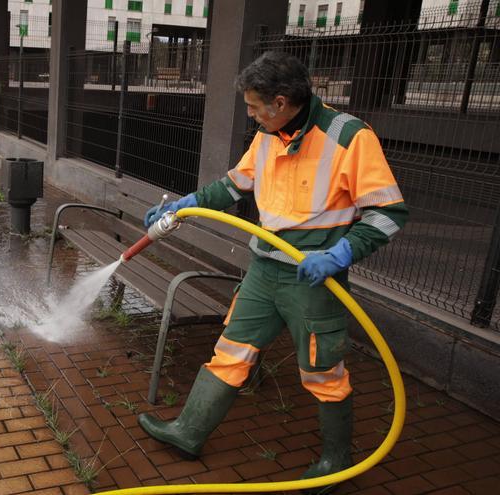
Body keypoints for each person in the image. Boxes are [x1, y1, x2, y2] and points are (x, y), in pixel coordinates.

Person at [138, 51, 407, 490]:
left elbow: (389, 213)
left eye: (252, 106)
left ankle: (336, 462)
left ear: (280, 102)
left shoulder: (349, 137)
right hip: (264, 270)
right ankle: (189, 432)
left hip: (314, 280)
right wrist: (188, 203)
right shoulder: (268, 136)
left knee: (323, 371)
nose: (249, 113)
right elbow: (232, 185)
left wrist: (340, 254)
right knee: (231, 351)